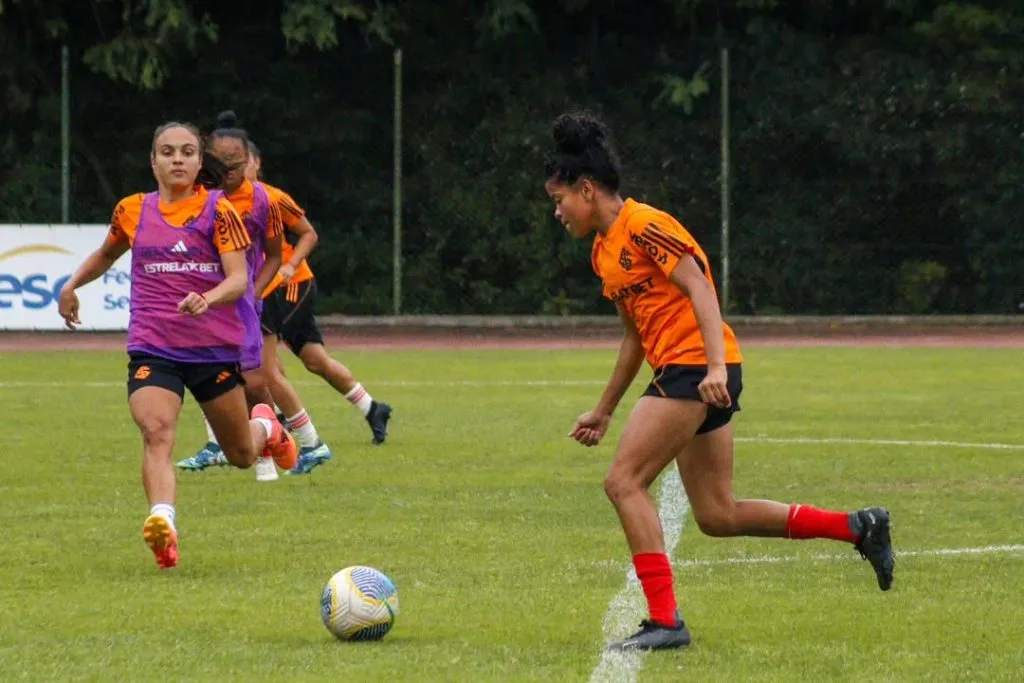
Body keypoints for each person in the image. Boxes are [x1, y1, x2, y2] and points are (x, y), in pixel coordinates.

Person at [543, 111, 894, 652]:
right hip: (686, 369)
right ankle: (857, 526)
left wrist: (711, 368)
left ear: (586, 189)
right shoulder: (603, 252)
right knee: (717, 513)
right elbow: (635, 338)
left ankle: (665, 622)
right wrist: (604, 408)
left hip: (696, 369)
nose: (557, 211)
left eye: (559, 198)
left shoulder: (645, 224)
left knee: (623, 483)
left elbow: (700, 288)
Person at [57, 121, 298, 569]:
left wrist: (206, 298)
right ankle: (163, 523)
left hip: (211, 350)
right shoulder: (132, 210)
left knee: (242, 455)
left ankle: (269, 427)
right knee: (156, 432)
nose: (178, 160)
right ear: (153, 162)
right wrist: (72, 285)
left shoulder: (219, 211)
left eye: (187, 152)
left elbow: (240, 277)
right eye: (167, 152)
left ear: (199, 161)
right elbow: (106, 255)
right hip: (154, 348)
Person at [252, 139, 392, 464]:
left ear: (255, 162)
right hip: (265, 289)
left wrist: (289, 266)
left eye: (240, 159)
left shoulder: (272, 197)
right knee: (315, 360)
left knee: (264, 357)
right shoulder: (224, 202)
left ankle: (284, 423)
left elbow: (308, 233)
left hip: (291, 285)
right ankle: (372, 408)